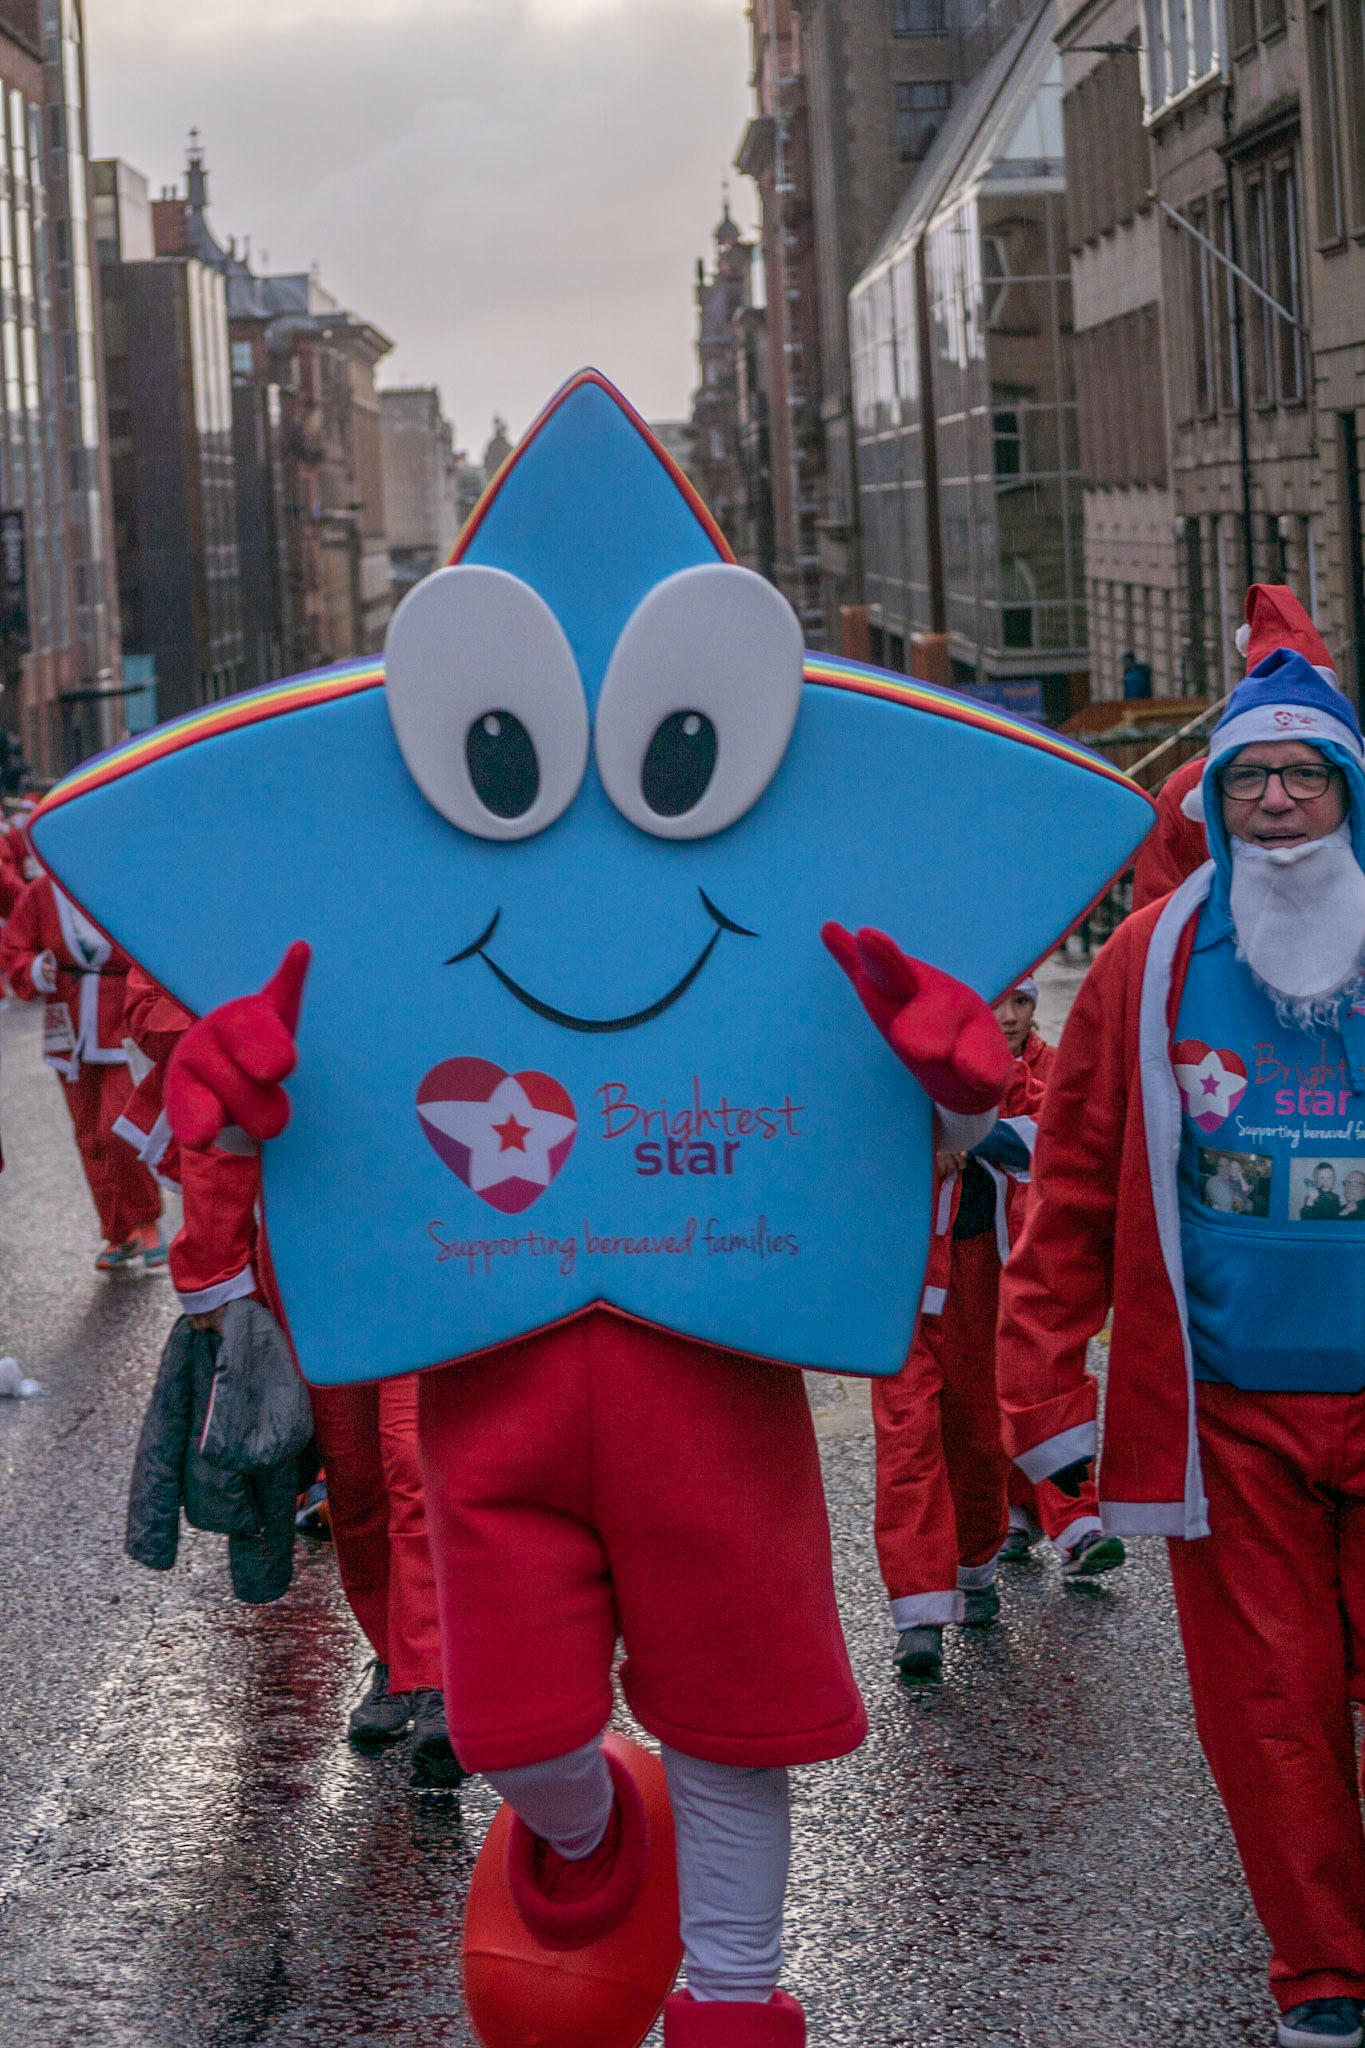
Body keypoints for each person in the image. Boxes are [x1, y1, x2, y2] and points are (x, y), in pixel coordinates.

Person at [165, 927, 1013, 2044]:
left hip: (717, 1394)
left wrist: (945, 1095)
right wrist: (237, 1090)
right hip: (499, 1396)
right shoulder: (445, 939)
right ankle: (598, 1834)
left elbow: (842, 1117)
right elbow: (344, 1107)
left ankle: (733, 2001)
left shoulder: (749, 938)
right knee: (507, 1730)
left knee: (734, 1731)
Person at [998, 582, 1365, 2048]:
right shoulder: (1150, 962)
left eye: (1305, 775)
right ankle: (1322, 1973)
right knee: (1272, 1707)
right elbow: (1072, 1184)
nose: (1278, 801)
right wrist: (1044, 1400)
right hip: (1229, 1412)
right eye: (1251, 777)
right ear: (1213, 802)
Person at [121, 966, 460, 1791]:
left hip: (442, 1225)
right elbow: (186, 1039)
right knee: (351, 1475)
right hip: (313, 1242)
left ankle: (438, 1674)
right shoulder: (248, 879)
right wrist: (213, 1261)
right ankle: (397, 1657)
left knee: (414, 1460)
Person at [871, 977, 1124, 1685]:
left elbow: (1060, 1142)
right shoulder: (898, 1065)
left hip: (996, 1277)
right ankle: (917, 1616)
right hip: (901, 1280)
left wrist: (969, 1134)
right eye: (992, 1003)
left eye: (1018, 1001)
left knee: (984, 1431)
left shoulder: (1047, 1067)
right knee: (905, 1437)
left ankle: (984, 1562)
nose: (1007, 1017)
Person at [0, 872, 165, 1270]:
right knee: (90, 1136)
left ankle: (146, 1220)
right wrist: (33, 968)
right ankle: (117, 1232)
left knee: (120, 1126)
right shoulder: (42, 892)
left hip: (123, 1024)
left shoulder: (125, 883)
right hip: (68, 1028)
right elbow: (14, 947)